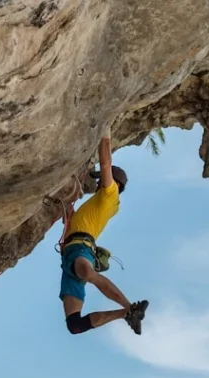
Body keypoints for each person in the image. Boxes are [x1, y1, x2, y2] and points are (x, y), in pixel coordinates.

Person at [54, 125, 147, 336]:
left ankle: (131, 308)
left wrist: (105, 132)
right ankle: (126, 313)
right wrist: (68, 211)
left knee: (88, 273)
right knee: (75, 325)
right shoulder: (98, 203)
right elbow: (72, 221)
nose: (96, 184)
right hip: (70, 256)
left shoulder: (110, 195)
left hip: (81, 249)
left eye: (99, 181)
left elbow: (106, 163)